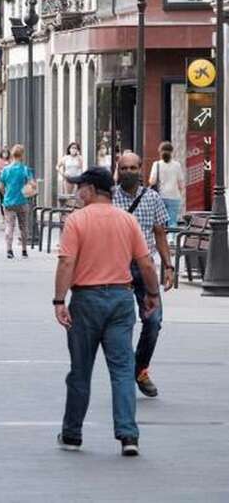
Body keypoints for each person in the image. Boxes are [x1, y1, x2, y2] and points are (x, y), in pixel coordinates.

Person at [54, 167, 159, 457]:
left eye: (79, 187)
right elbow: (147, 263)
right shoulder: (127, 220)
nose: (77, 192)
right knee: (123, 370)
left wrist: (59, 301)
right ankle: (128, 435)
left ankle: (73, 433)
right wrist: (152, 295)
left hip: (86, 300)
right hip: (121, 299)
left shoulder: (76, 220)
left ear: (90, 189)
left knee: (80, 370)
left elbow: (66, 263)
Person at [113, 152, 174, 398]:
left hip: (145, 268)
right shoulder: (108, 198)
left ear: (141, 169)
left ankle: (139, 368)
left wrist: (168, 266)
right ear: (118, 170)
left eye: (133, 168)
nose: (128, 172)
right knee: (122, 324)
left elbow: (160, 233)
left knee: (153, 321)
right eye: (124, 168)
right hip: (116, 269)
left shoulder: (153, 198)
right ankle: (126, 371)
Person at [0, 144, 36, 259]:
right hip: (22, 201)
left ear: (12, 155)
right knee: (23, 226)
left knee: (9, 226)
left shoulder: (5, 169)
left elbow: (1, 186)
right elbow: (32, 184)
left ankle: (9, 250)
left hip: (9, 201)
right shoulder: (25, 169)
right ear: (22, 155)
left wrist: (6, 195)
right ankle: (24, 250)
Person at [148, 141, 185, 239]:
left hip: (160, 197)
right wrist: (180, 193)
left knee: (160, 220)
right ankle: (172, 239)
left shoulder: (157, 164)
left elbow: (152, 181)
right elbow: (181, 182)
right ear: (172, 152)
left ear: (160, 152)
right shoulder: (177, 165)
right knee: (172, 220)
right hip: (174, 196)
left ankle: (162, 239)